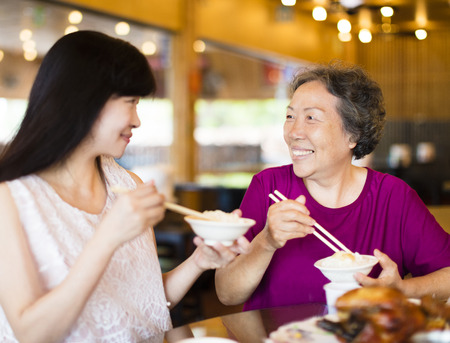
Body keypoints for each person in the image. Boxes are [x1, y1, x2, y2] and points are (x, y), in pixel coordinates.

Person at [0, 31, 248, 343]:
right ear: (85, 100)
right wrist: (107, 238)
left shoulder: (127, 184)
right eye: (131, 102)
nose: (137, 120)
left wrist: (200, 262)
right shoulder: (11, 198)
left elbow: (145, 304)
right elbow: (31, 333)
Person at [215, 61, 450, 311]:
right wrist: (266, 242)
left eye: (311, 118)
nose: (294, 132)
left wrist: (402, 290)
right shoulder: (269, 187)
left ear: (353, 134)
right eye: (290, 116)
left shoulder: (393, 197)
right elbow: (227, 293)